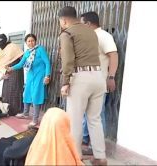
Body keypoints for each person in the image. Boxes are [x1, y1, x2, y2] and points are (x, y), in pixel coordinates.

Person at [58, 6, 107, 165]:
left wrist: (65, 82)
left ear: (64, 20)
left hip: (80, 78)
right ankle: (100, 157)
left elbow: (68, 60)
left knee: (75, 120)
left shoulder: (67, 33)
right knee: (95, 119)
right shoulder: (91, 31)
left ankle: (75, 157)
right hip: (98, 77)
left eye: (60, 22)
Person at [80, 11, 119, 148]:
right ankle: (85, 138)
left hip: (98, 83)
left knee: (96, 114)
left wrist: (111, 77)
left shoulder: (103, 36)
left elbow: (113, 56)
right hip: (86, 82)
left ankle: (96, 146)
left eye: (82, 23)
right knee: (86, 111)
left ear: (89, 24)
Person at [6, 34, 51, 127]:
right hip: (30, 76)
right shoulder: (27, 52)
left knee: (36, 96)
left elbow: (47, 62)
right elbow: (21, 64)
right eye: (29, 41)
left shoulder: (40, 49)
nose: (31, 42)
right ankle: (25, 113)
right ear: (26, 43)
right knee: (26, 94)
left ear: (35, 41)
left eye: (32, 40)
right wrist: (11, 68)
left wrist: (47, 76)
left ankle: (35, 119)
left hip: (39, 76)